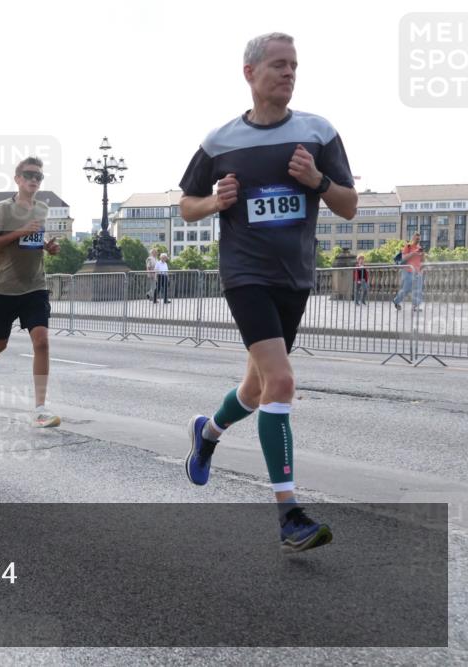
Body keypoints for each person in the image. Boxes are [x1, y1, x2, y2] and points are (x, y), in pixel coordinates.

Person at [179, 32, 357, 553]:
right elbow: (186, 204)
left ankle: (207, 433)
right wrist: (214, 202)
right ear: (249, 72)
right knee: (281, 382)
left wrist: (317, 180)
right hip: (245, 275)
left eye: (294, 66)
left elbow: (348, 206)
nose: (289, 73)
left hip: (295, 278)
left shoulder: (318, 133)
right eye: (279, 65)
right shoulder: (220, 141)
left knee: (256, 390)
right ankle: (289, 514)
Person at [0, 156, 63, 428]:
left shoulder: (42, 208)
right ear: (18, 179)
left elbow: (34, 238)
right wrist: (20, 231)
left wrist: (48, 246)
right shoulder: (2, 209)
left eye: (39, 176)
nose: (34, 179)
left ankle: (40, 409)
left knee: (42, 341)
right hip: (4, 288)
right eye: (29, 174)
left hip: (35, 286)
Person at [392, 232, 425, 312]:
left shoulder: (419, 247)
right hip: (408, 271)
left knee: (418, 290)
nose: (418, 240)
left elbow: (422, 261)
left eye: (419, 238)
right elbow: (403, 258)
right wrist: (413, 253)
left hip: (417, 272)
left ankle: (415, 306)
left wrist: (422, 255)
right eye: (416, 238)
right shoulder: (408, 246)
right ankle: (396, 301)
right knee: (406, 289)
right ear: (413, 238)